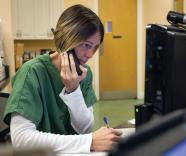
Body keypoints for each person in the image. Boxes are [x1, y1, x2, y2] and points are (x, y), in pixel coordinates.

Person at [3, 4, 122, 153]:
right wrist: (88, 142)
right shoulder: (32, 72)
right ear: (67, 40)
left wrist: (74, 90)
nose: (90, 54)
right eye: (86, 45)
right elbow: (21, 139)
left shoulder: (85, 73)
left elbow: (84, 129)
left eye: (95, 47)